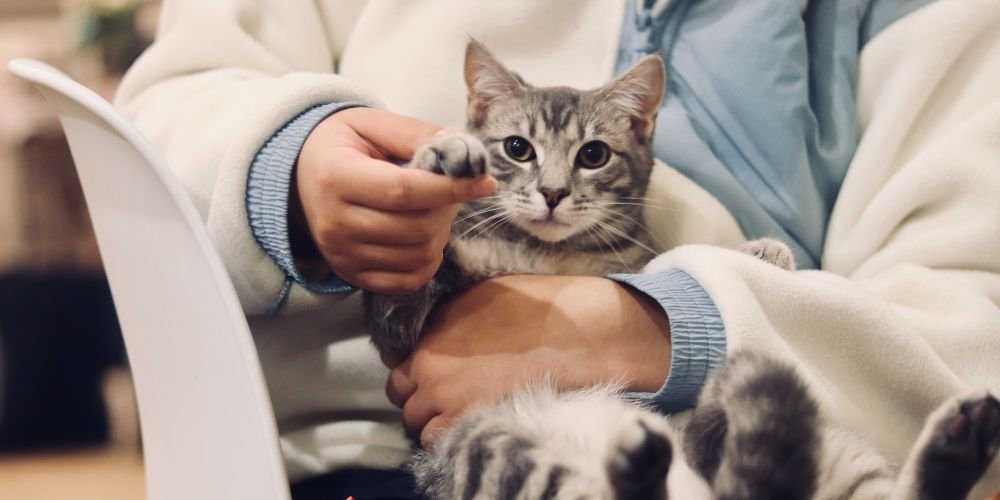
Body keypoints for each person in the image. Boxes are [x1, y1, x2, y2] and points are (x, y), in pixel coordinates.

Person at [115, 0, 1000, 498]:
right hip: (352, 457)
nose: (543, 190)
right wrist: (293, 161)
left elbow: (973, 310)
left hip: (734, 441)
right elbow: (159, 118)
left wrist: (667, 324)